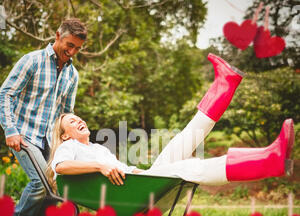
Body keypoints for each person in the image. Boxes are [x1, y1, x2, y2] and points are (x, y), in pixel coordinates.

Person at [47, 54, 294, 189]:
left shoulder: (97, 148)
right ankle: (268, 161)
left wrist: (132, 170)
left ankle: (225, 84)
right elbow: (60, 168)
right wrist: (100, 168)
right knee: (189, 167)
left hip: (138, 182)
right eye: (71, 121)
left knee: (185, 139)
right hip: (132, 192)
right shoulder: (70, 147)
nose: (78, 119)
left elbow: (121, 169)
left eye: (78, 117)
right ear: (65, 134)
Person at [0, 18, 87, 216]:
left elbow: (66, 113)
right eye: (69, 45)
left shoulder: (73, 75)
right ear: (58, 35)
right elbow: (6, 93)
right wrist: (10, 129)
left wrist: (70, 139)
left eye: (77, 49)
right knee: (41, 182)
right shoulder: (32, 61)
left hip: (50, 139)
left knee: (54, 187)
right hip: (24, 134)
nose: (71, 52)